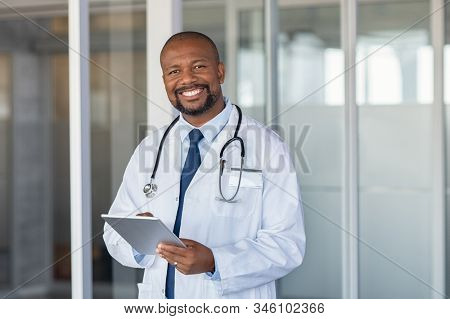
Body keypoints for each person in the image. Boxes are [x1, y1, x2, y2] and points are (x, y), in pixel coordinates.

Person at [103, 31, 305, 299]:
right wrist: (140, 240)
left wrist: (214, 262)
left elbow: (287, 244)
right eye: (174, 71)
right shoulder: (149, 149)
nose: (187, 79)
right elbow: (114, 233)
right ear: (165, 81)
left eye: (198, 66)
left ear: (220, 72)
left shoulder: (268, 146)